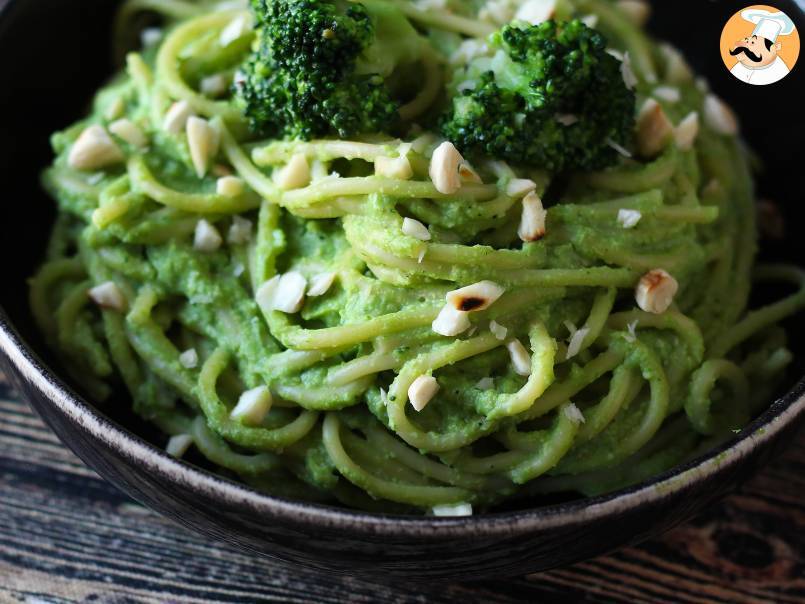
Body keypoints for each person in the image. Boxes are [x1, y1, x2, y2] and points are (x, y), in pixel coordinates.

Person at [729, 9, 795, 85]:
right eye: (747, 40)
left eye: (753, 42)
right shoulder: (739, 67)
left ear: (775, 47)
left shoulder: (778, 72)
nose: (746, 44)